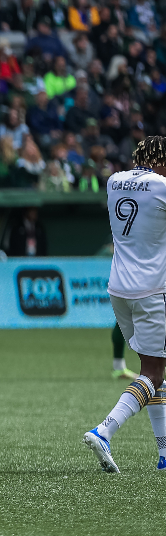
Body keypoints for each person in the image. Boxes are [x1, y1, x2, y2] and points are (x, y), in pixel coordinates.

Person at [84, 136, 166, 473]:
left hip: (119, 288)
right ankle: (104, 431)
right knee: (153, 372)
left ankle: (164, 453)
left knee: (153, 370)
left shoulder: (114, 181)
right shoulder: (162, 186)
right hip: (152, 289)